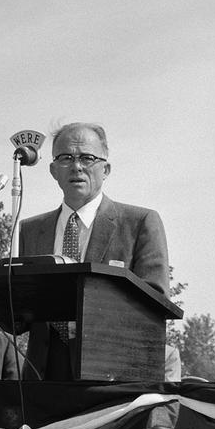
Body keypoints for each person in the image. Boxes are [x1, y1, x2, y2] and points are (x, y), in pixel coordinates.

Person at [19, 123, 170, 379]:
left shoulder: (140, 223)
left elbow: (154, 302)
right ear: (53, 170)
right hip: (43, 378)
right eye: (66, 158)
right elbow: (19, 314)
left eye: (87, 158)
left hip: (112, 376)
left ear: (106, 169)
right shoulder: (30, 230)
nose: (77, 166)